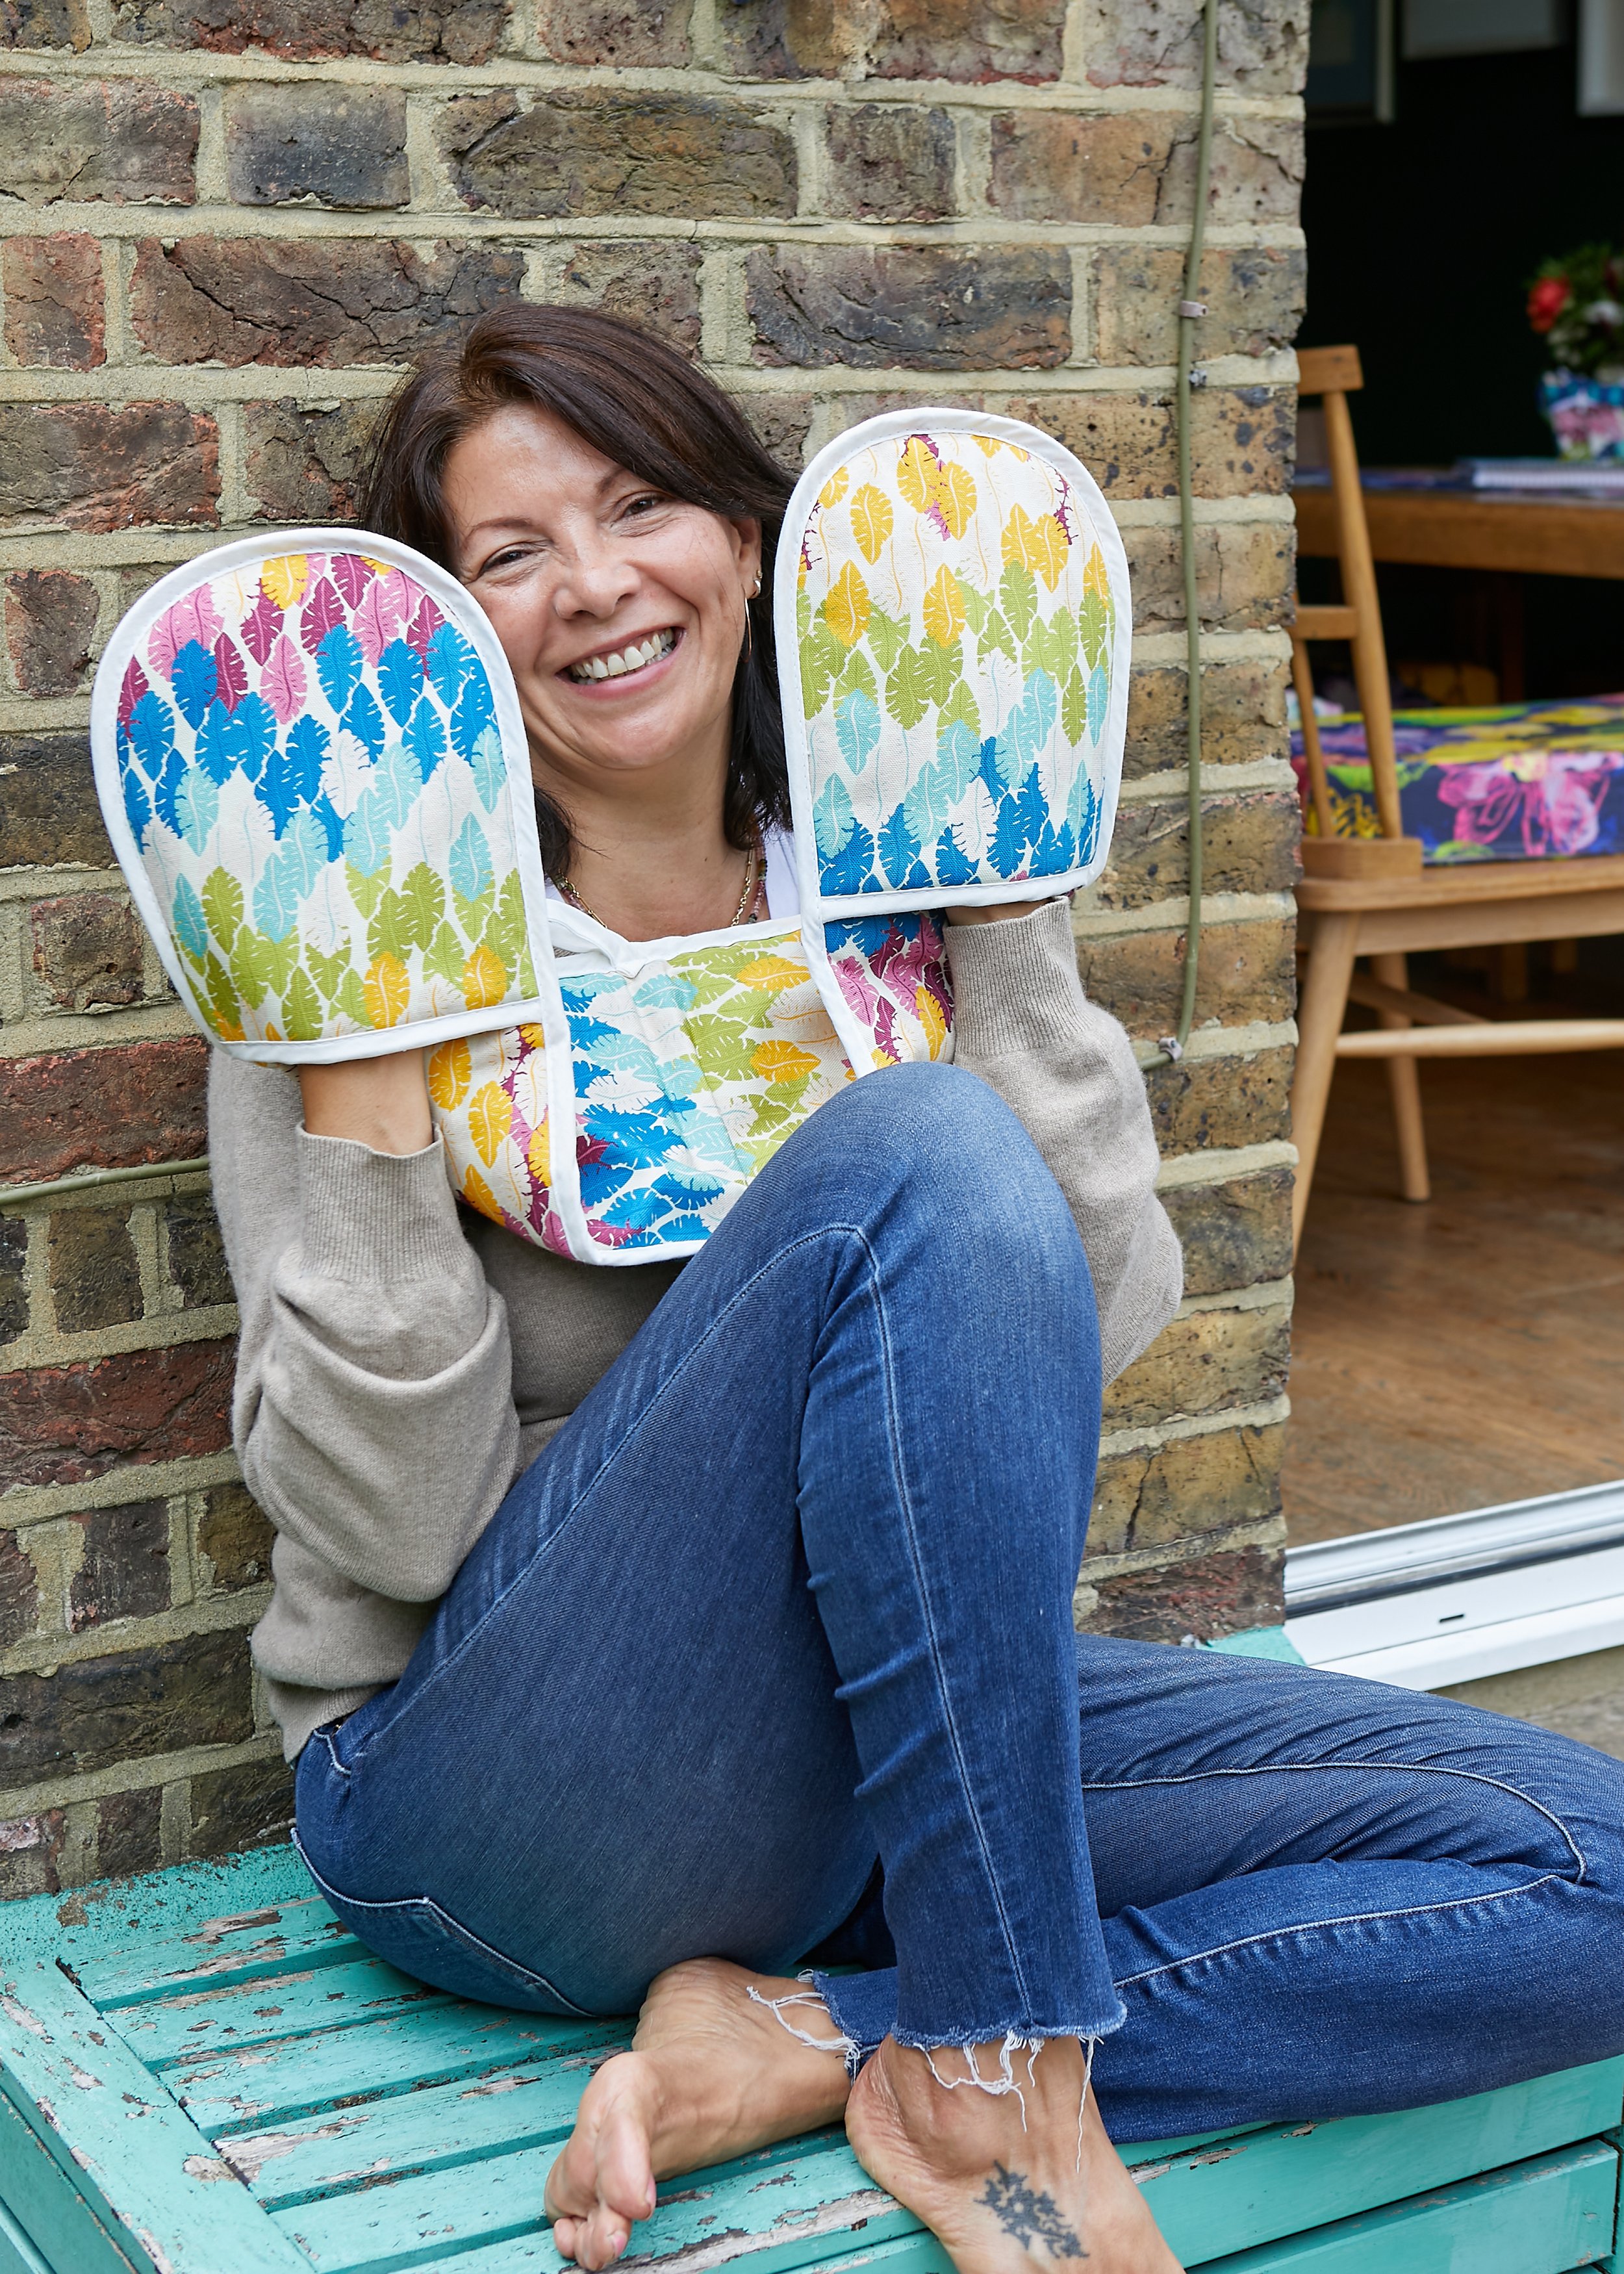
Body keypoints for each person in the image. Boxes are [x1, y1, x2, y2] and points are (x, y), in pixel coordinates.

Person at [210, 306, 1624, 2274]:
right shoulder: (351, 948)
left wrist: (1004, 945)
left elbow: (1096, 1322)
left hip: (887, 1766)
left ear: (747, 539)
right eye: (509, 552)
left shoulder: (893, 879)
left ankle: (848, 2038)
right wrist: (364, 1104)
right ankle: (994, 2052)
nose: (597, 583)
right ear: (444, 626)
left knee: (1596, 1868)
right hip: (489, 1807)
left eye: (640, 507)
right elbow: (402, 1524)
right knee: (919, 1150)